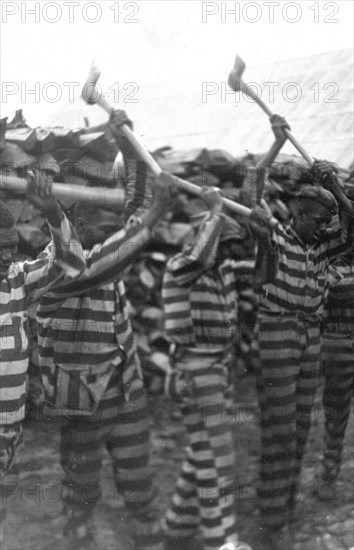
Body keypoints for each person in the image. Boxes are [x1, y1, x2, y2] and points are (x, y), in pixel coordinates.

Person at [36, 111, 178, 550]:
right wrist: (155, 212)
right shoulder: (57, 264)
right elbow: (120, 246)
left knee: (139, 486)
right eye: (88, 213)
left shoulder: (108, 247)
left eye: (104, 209)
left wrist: (128, 143)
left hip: (125, 388)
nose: (104, 219)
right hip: (83, 398)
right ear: (68, 221)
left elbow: (132, 218)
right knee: (80, 494)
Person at [161, 181, 277, 550]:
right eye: (222, 245)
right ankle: (219, 541)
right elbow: (196, 257)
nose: (228, 252)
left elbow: (263, 276)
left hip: (215, 368)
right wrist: (214, 211)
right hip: (196, 369)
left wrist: (267, 240)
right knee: (219, 457)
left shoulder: (221, 268)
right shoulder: (181, 265)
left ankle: (177, 527)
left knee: (202, 453)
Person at [255, 149, 354, 550]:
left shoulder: (322, 246)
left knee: (299, 428)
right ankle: (272, 516)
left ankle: (285, 507)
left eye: (324, 224)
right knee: (279, 429)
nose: (320, 229)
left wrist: (333, 184)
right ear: (296, 214)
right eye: (313, 221)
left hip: (310, 336)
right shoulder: (275, 235)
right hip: (278, 333)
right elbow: (251, 192)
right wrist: (276, 145)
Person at [0, 172, 85, 550]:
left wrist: (51, 209)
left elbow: (70, 261)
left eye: (11, 248)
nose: (7, 256)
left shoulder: (15, 281)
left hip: (7, 428)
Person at [315, 251, 354, 499]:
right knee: (336, 410)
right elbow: (320, 296)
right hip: (338, 339)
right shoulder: (330, 262)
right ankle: (329, 475)